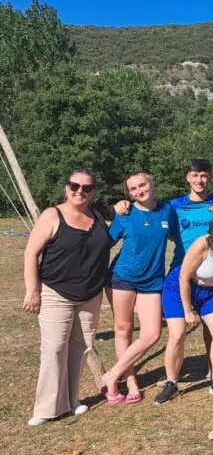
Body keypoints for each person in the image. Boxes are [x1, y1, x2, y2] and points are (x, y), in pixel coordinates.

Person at [24, 170, 110, 425]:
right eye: (75, 186)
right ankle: (46, 409)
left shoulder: (97, 216)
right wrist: (33, 291)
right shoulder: (52, 215)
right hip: (55, 292)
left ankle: (72, 401)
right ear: (66, 188)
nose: (80, 191)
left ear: (94, 191)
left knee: (81, 348)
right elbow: (30, 254)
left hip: (90, 294)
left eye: (87, 187)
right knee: (53, 349)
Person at [157, 205, 213, 403]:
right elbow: (183, 278)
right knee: (177, 334)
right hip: (180, 287)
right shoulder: (203, 244)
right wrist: (188, 310)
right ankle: (171, 383)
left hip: (209, 291)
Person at [101, 172, 172, 405]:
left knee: (152, 333)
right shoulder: (125, 213)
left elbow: (180, 234)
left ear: (152, 184)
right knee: (124, 329)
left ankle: (112, 374)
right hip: (122, 277)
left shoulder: (166, 210)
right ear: (129, 194)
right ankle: (130, 381)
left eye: (142, 185)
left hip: (152, 281)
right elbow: (104, 243)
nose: (139, 191)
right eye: (133, 189)